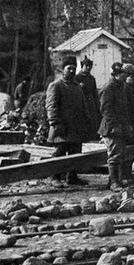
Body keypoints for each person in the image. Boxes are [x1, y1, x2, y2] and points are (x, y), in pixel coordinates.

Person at [45, 56, 92, 188]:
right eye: (69, 68)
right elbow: (51, 106)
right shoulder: (56, 85)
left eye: (73, 68)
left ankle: (72, 177)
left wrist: (87, 120)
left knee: (75, 152)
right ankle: (54, 177)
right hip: (62, 127)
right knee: (59, 153)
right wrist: (55, 123)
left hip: (76, 126)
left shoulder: (77, 86)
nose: (72, 71)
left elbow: (83, 105)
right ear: (62, 70)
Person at [99, 62, 131, 192]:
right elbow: (106, 110)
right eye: (125, 74)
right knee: (114, 155)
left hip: (121, 125)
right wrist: (114, 126)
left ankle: (115, 180)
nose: (127, 77)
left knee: (120, 154)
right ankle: (113, 182)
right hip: (111, 127)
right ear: (118, 74)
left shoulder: (120, 87)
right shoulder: (109, 88)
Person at [76, 56, 101, 136]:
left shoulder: (92, 78)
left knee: (93, 119)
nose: (88, 68)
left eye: (90, 66)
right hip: (82, 102)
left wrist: (97, 104)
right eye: (86, 66)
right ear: (82, 66)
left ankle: (93, 134)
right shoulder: (77, 78)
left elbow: (94, 91)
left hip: (91, 102)